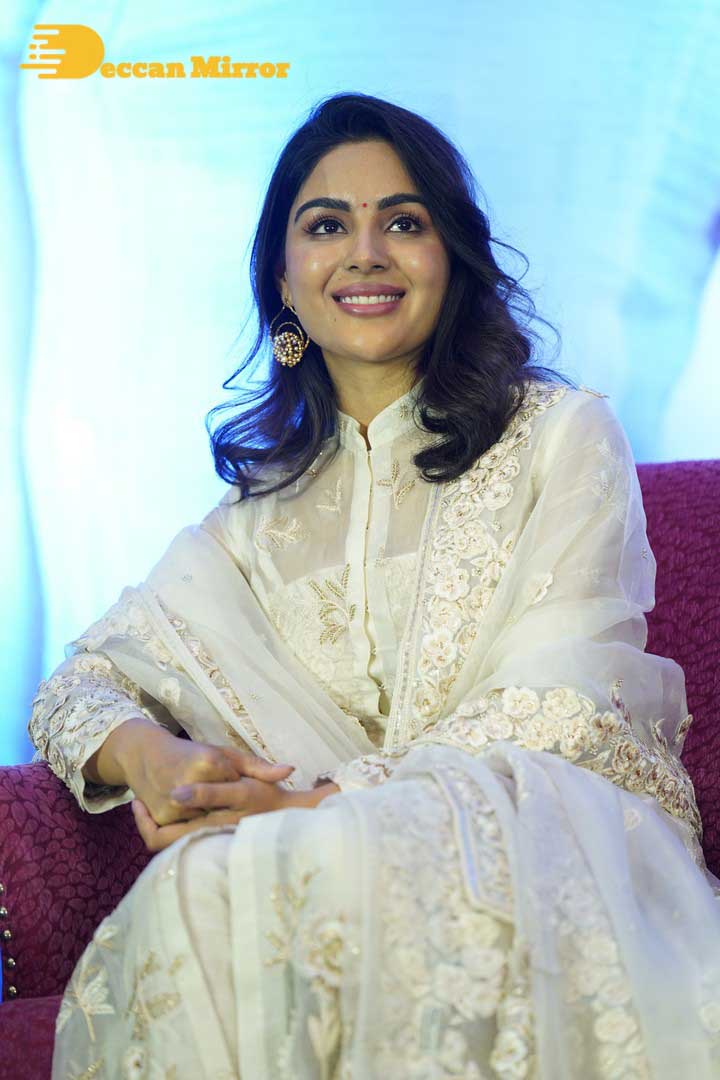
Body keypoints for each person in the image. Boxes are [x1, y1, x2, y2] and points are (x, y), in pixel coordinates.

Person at [31, 91, 720, 1080]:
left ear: (452, 259)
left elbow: (560, 708)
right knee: (200, 885)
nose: (364, 253)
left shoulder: (560, 437)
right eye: (326, 226)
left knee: (261, 871)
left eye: (403, 222)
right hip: (302, 868)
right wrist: (154, 761)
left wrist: (322, 812)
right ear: (283, 279)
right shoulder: (252, 523)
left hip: (543, 852)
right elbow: (79, 684)